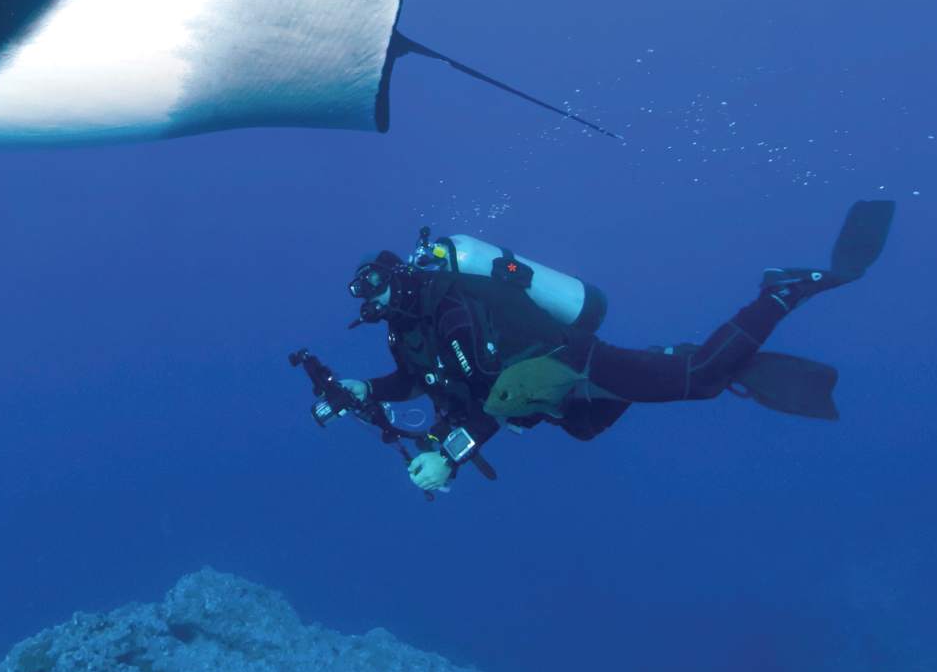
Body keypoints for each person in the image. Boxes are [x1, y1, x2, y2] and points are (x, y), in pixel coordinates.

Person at [297, 201, 894, 495]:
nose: (367, 301)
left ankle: (782, 293)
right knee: (584, 428)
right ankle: (670, 357)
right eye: (361, 295)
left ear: (396, 275)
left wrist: (449, 454)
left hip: (569, 364)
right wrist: (361, 390)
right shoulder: (406, 333)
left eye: (371, 285)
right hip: (551, 392)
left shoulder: (450, 305)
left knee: (703, 377)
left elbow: (487, 392)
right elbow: (410, 382)